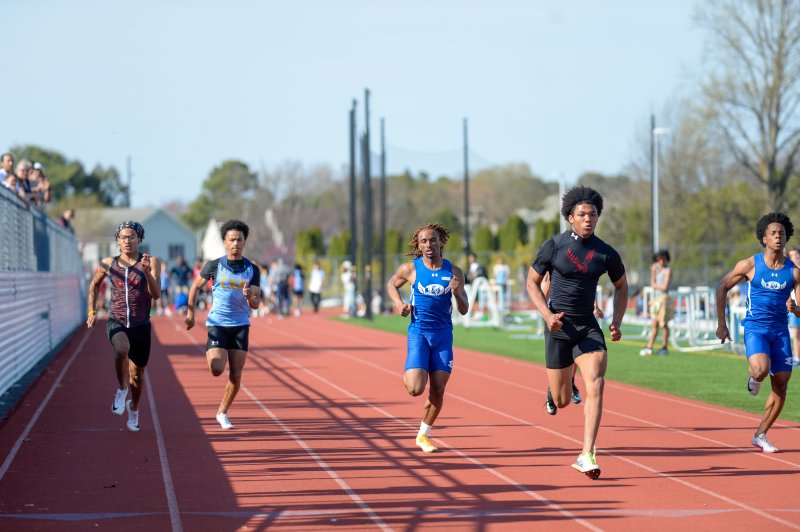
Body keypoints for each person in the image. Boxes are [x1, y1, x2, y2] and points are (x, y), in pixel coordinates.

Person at [526, 185, 628, 479]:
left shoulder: (606, 252)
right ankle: (555, 387)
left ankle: (587, 453)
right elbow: (531, 282)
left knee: (596, 383)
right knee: (561, 401)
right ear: (570, 217)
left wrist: (617, 321)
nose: (588, 219)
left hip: (587, 327)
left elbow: (622, 287)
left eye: (593, 215)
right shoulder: (554, 246)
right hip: (558, 326)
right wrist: (546, 315)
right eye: (582, 214)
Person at [716, 212, 800, 453]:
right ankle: (755, 378)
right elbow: (722, 287)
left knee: (782, 383)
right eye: (773, 233)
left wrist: (796, 308)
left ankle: (760, 434)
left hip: (780, 331)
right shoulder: (750, 264)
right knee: (762, 369)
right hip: (756, 328)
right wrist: (722, 324)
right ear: (764, 238)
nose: (778, 237)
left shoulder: (794, 272)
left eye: (781, 233)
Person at [386, 223, 469, 453]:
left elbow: (464, 309)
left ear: (441, 242)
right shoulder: (410, 269)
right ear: (418, 245)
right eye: (423, 241)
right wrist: (399, 304)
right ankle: (413, 371)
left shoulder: (454, 272)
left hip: (443, 335)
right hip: (419, 333)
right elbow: (391, 284)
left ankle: (423, 434)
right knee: (414, 389)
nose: (428, 245)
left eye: (432, 240)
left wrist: (457, 292)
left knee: (438, 391)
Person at [185, 220, 261, 430]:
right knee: (217, 369)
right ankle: (214, 353)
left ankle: (222, 412)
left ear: (244, 241)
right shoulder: (214, 265)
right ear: (225, 242)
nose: (235, 243)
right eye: (231, 240)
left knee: (236, 375)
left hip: (240, 325)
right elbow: (195, 288)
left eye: (239, 239)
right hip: (218, 323)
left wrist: (249, 297)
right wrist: (190, 312)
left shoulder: (252, 269)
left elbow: (256, 303)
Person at [86, 221, 161, 432]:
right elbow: (94, 285)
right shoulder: (109, 263)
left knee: (137, 375)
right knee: (121, 348)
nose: (127, 241)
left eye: (132, 237)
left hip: (141, 325)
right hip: (117, 320)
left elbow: (156, 294)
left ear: (140, 239)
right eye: (123, 237)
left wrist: (146, 272)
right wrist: (91, 311)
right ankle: (121, 389)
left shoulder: (152, 262)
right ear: (118, 241)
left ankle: (134, 408)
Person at [640, 249, 673, 356]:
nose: (661, 261)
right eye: (659, 259)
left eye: (663, 259)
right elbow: (652, 282)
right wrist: (653, 272)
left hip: (663, 299)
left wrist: (655, 285)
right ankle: (650, 346)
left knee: (663, 324)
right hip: (656, 299)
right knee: (654, 323)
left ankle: (664, 347)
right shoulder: (657, 270)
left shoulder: (668, 270)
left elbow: (664, 287)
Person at [788, 248, 800, 367]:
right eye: (792, 255)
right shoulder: (789, 271)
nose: (795, 257)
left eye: (796, 254)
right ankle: (796, 357)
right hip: (794, 307)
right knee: (796, 334)